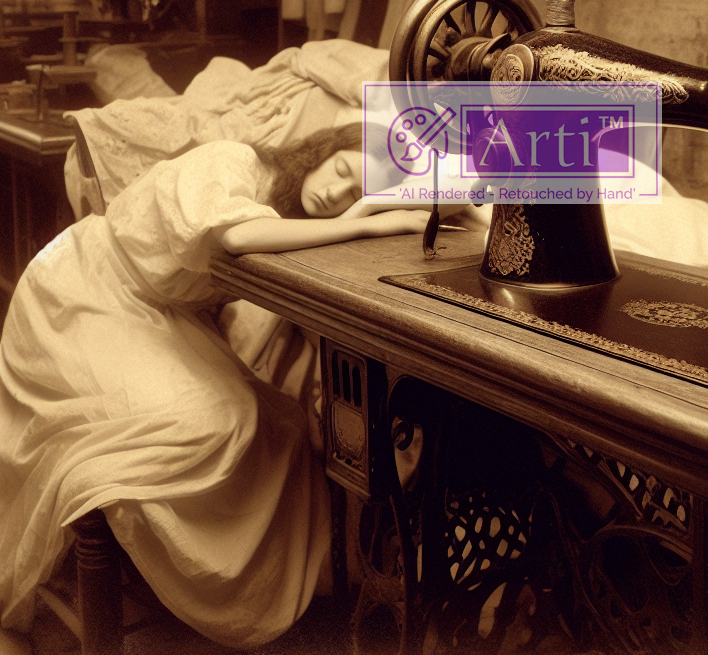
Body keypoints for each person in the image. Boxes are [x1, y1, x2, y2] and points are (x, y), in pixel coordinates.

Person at [0, 124, 428, 649]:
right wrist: (365, 220)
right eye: (341, 170)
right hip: (82, 294)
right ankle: (162, 561)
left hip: (151, 313)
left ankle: (269, 590)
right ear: (319, 150)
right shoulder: (235, 161)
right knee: (221, 424)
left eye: (355, 193)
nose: (335, 193)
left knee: (280, 424)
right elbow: (236, 237)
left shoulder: (287, 216)